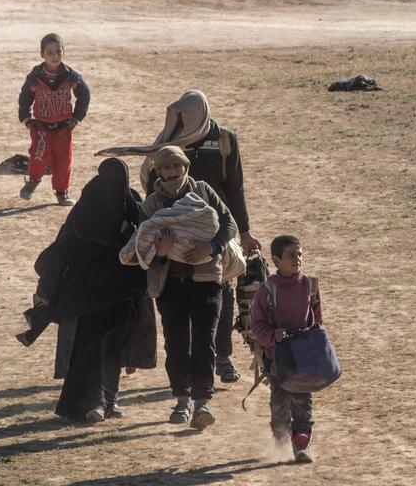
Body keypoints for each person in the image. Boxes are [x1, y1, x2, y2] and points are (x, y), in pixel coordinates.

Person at [101, 89, 260, 383]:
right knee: (177, 303)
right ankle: (184, 379)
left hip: (211, 232)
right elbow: (152, 191)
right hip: (173, 235)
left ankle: (222, 359)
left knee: (221, 296)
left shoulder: (224, 140)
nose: (181, 124)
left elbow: (235, 188)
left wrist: (243, 233)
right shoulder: (169, 147)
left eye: (187, 118)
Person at [16, 159, 152, 422]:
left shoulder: (130, 208)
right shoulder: (92, 209)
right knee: (95, 347)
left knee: (112, 346)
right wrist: (46, 289)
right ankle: (95, 402)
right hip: (92, 294)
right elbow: (63, 250)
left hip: (122, 293)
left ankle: (107, 400)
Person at [142, 146, 238, 429]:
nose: (172, 173)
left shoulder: (204, 192)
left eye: (177, 166)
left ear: (185, 167)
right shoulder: (151, 205)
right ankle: (181, 401)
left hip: (207, 279)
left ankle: (202, 403)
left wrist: (210, 246)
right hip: (171, 283)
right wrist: (161, 252)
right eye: (166, 168)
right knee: (177, 342)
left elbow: (229, 224)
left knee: (205, 341)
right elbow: (142, 247)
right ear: (158, 172)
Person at [250, 235, 323, 464]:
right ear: (276, 260)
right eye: (291, 255)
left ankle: (302, 447)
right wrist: (273, 336)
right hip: (277, 358)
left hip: (303, 358)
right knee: (280, 405)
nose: (297, 259)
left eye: (299, 254)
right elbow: (256, 325)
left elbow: (318, 321)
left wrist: (316, 343)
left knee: (303, 402)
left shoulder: (310, 284)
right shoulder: (267, 290)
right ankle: (281, 441)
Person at [17, 33, 91, 206]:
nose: (55, 56)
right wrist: (26, 117)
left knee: (63, 160)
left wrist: (77, 118)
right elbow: (25, 97)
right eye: (49, 52)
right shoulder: (35, 77)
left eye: (58, 51)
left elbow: (84, 94)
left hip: (64, 126)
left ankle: (61, 192)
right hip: (41, 125)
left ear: (63, 53)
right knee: (39, 155)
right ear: (42, 54)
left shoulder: (71, 77)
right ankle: (33, 181)